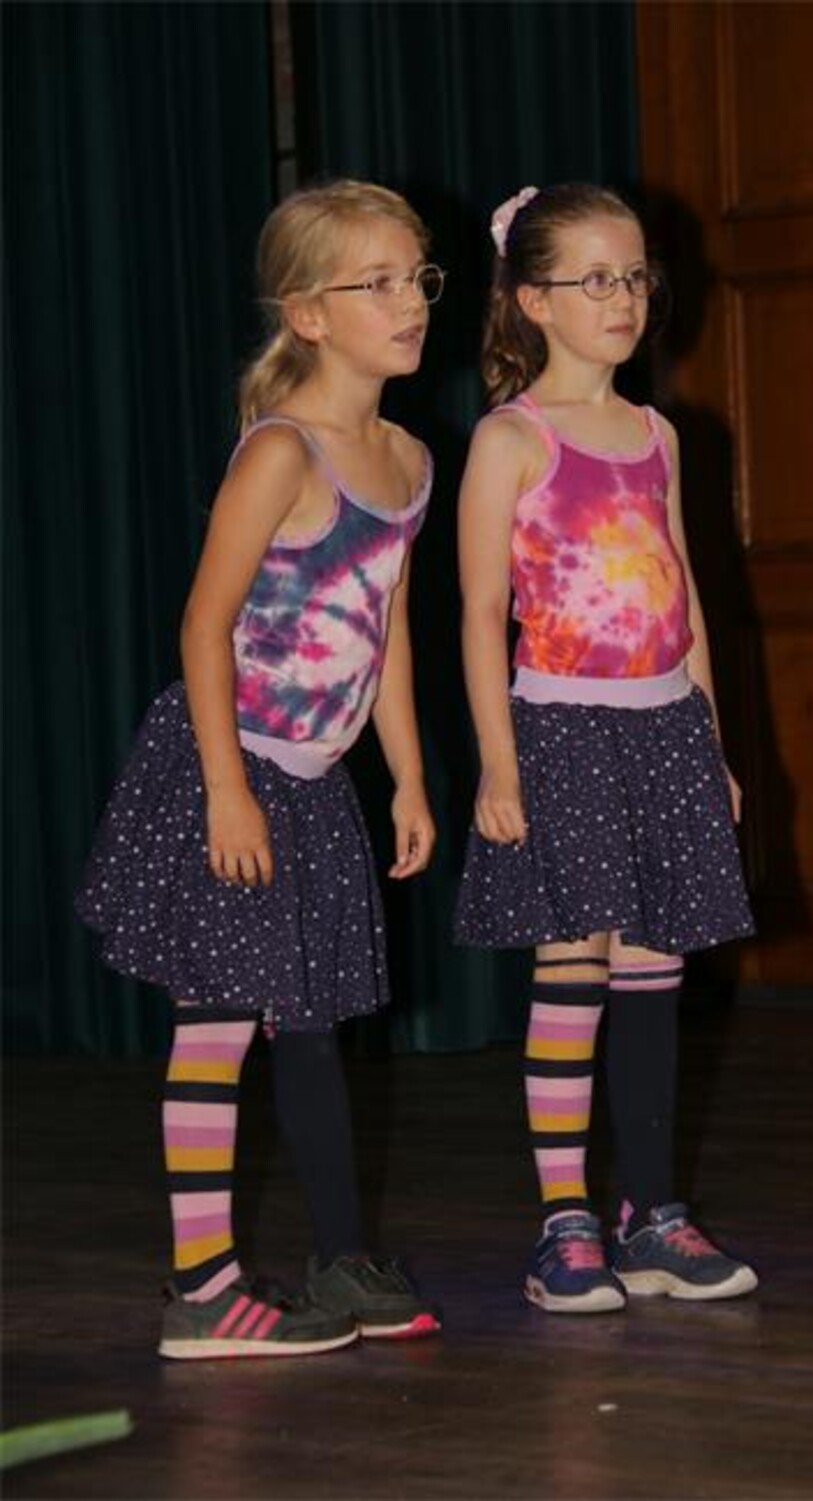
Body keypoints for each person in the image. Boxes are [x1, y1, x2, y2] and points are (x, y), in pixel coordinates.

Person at [77, 180, 446, 1358]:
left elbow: (386, 629)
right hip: (225, 766)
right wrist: (227, 787)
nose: (409, 301)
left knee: (311, 1020)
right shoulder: (283, 453)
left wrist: (407, 774)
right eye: (376, 283)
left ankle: (340, 1258)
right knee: (218, 1021)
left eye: (417, 277)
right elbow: (203, 623)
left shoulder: (406, 458)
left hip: (315, 781)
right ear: (308, 314)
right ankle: (202, 1287)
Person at [454, 183, 757, 1315]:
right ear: (533, 300)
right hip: (562, 728)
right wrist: (499, 763)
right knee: (572, 971)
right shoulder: (510, 438)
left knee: (655, 974)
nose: (622, 297)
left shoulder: (658, 435)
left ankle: (654, 1217)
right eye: (593, 279)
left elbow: (685, 598)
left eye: (634, 276)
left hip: (662, 727)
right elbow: (480, 612)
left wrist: (711, 742)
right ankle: (565, 1222)